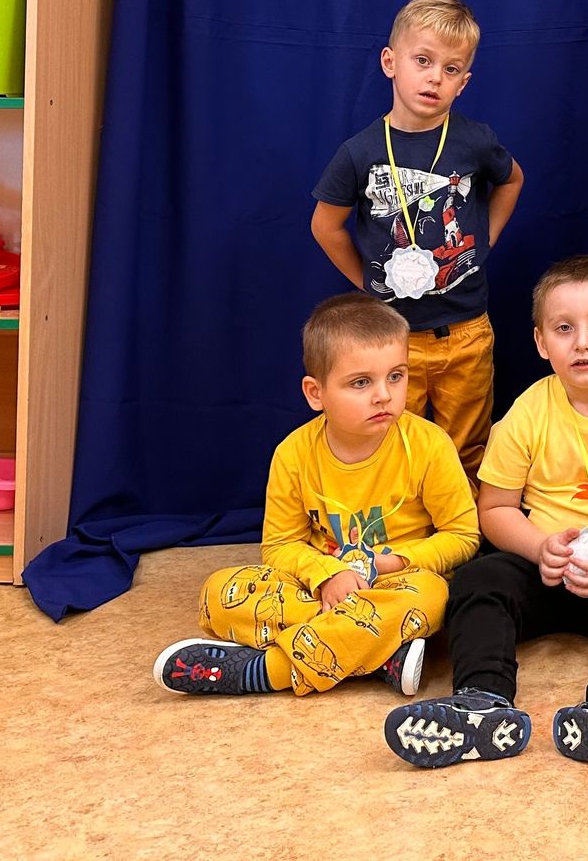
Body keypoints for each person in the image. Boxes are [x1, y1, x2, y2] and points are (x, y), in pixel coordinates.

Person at [385, 257, 588, 778]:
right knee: (477, 582)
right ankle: (481, 701)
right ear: (540, 342)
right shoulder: (527, 413)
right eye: (564, 328)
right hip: (539, 567)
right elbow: (494, 509)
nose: (582, 343)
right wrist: (538, 548)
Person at [154, 294, 478, 697]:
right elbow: (280, 545)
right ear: (315, 393)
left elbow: (463, 536)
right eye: (361, 382)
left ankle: (269, 671)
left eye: (396, 376)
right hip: (321, 587)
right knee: (218, 593)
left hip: (397, 585)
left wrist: (391, 562)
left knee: (434, 595)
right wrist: (327, 576)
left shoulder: (430, 445)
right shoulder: (293, 453)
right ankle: (375, 655)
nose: (384, 394)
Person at [311, 0, 525, 475]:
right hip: (391, 338)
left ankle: (462, 522)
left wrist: (485, 239)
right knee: (391, 447)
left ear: (463, 83)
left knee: (466, 450)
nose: (434, 77)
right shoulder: (359, 152)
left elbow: (512, 180)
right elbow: (325, 226)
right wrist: (366, 282)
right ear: (390, 62)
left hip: (466, 331)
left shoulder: (474, 140)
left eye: (451, 69)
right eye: (423, 61)